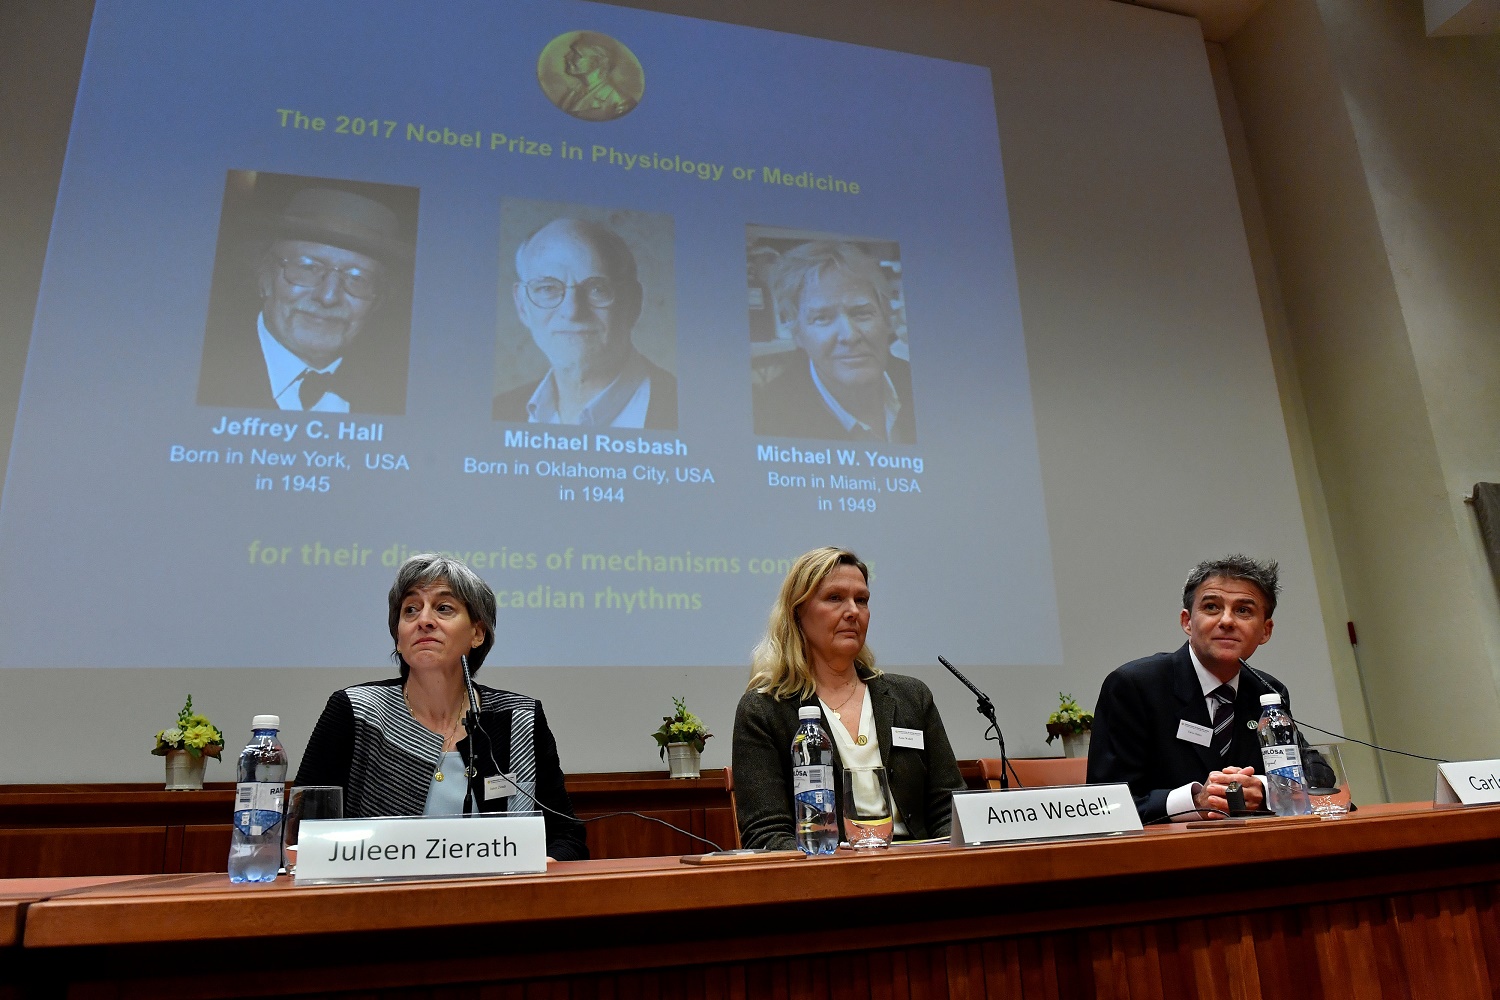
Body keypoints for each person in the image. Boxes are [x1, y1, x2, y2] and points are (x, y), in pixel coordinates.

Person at [295, 554, 588, 860]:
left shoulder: (518, 718)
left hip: (499, 902)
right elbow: (302, 831)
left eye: (443, 608)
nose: (424, 620)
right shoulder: (357, 712)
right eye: (410, 610)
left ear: (477, 633)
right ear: (398, 635)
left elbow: (566, 835)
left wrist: (543, 866)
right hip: (378, 903)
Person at [732, 547, 964, 849]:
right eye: (834, 598)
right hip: (826, 879)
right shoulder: (764, 710)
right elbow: (766, 833)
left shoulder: (911, 696)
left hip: (921, 872)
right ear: (797, 612)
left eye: (862, 600)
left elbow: (948, 808)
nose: (853, 611)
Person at [1086, 554, 1332, 823]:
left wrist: (1266, 788)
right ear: (1187, 621)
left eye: (1243, 610)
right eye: (1212, 607)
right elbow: (1105, 803)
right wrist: (1194, 801)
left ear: (1266, 630)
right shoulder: (1135, 686)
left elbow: (1315, 771)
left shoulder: (1266, 690)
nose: (1227, 621)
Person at [197, 185, 413, 415]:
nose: (328, 296)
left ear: (378, 302)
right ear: (265, 278)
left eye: (357, 279)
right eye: (307, 268)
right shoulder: (201, 369)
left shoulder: (395, 396)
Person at [492, 218, 677, 428]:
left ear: (633, 303)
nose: (573, 312)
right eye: (548, 289)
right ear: (522, 305)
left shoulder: (687, 408)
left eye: (597, 289)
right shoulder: (499, 410)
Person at [752, 241, 916, 443]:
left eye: (862, 313)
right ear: (796, 330)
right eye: (823, 318)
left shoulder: (920, 385)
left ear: (886, 316)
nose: (849, 336)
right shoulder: (768, 416)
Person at [557, 35, 637, 121]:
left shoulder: (620, 103)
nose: (567, 56)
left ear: (598, 62)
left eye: (577, 54)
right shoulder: (572, 93)